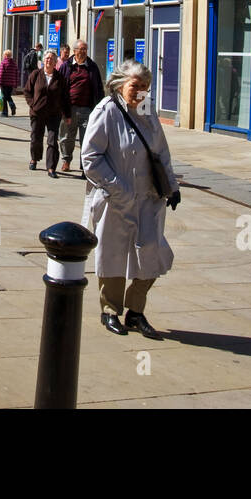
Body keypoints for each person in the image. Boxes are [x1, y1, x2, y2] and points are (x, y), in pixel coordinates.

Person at [80, 60, 180, 338]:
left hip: (149, 198)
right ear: (120, 84)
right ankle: (110, 310)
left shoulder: (147, 110)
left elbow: (161, 151)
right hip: (115, 200)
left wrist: (172, 185)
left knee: (152, 252)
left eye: (145, 87)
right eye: (135, 86)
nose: (140, 93)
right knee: (113, 255)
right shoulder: (106, 111)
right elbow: (90, 158)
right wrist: (118, 188)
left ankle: (135, 312)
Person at [58, 40, 104, 172]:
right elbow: (59, 87)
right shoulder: (66, 66)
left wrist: (99, 108)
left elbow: (99, 88)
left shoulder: (92, 67)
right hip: (69, 108)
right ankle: (66, 160)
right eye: (81, 49)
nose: (83, 52)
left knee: (87, 139)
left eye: (85, 49)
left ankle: (84, 166)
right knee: (66, 137)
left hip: (87, 109)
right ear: (74, 51)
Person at [25, 49, 70, 177]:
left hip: (53, 114)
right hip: (37, 112)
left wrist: (67, 115)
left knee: (52, 140)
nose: (49, 60)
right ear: (43, 60)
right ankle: (34, 158)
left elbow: (65, 97)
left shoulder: (60, 78)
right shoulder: (35, 74)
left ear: (56, 62)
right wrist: (32, 104)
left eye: (51, 58)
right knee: (36, 139)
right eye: (47, 58)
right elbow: (27, 91)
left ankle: (51, 167)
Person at [0, 49, 20, 117]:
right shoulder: (14, 63)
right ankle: (12, 106)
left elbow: (1, 74)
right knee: (8, 96)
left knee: (4, 98)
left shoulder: (3, 63)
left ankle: (5, 112)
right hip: (11, 84)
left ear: (5, 55)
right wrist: (15, 83)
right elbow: (16, 74)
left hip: (4, 83)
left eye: (4, 55)